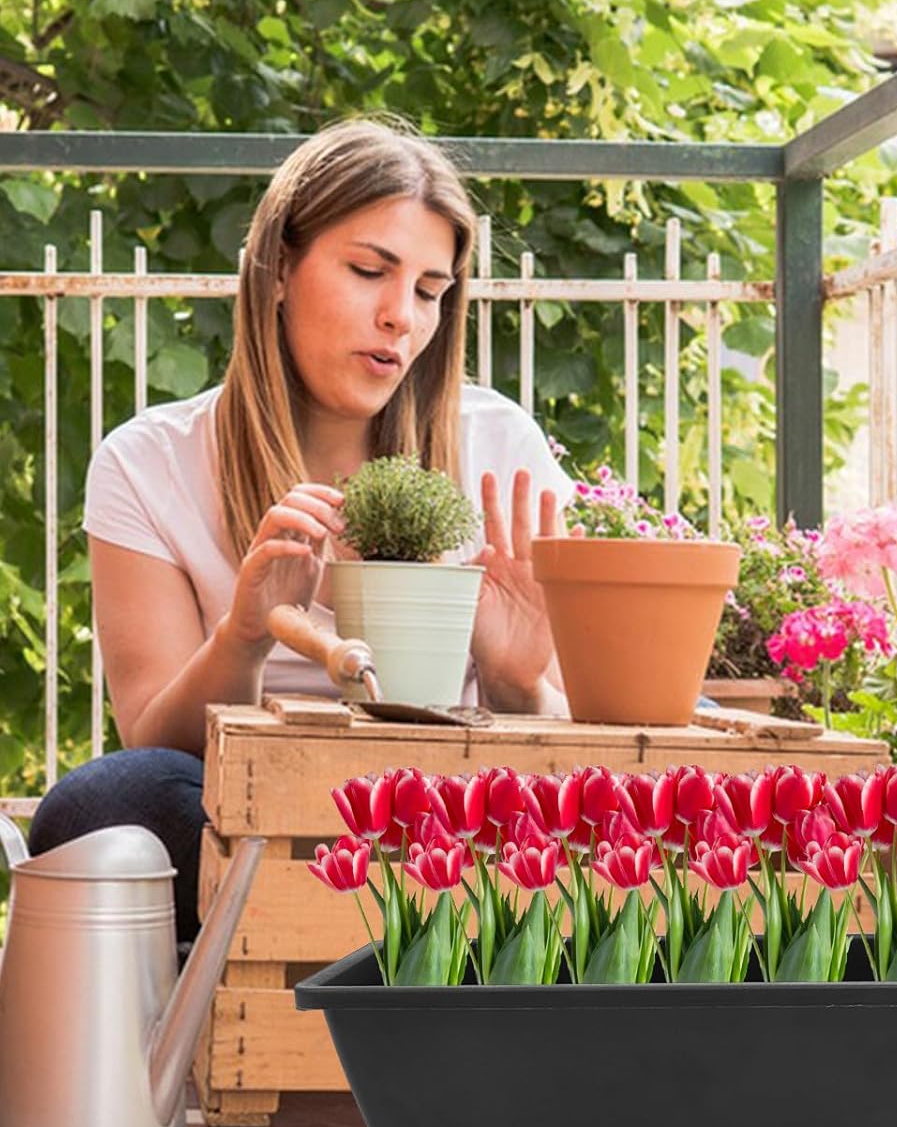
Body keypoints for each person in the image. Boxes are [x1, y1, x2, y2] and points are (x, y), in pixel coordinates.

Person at [27, 117, 573, 945]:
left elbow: (578, 745)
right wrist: (243, 637)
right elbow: (156, 740)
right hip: (249, 822)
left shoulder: (499, 447)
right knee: (110, 807)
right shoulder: (148, 463)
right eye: (368, 271)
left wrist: (514, 685)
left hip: (445, 821)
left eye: (430, 290)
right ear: (279, 267)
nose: (401, 318)